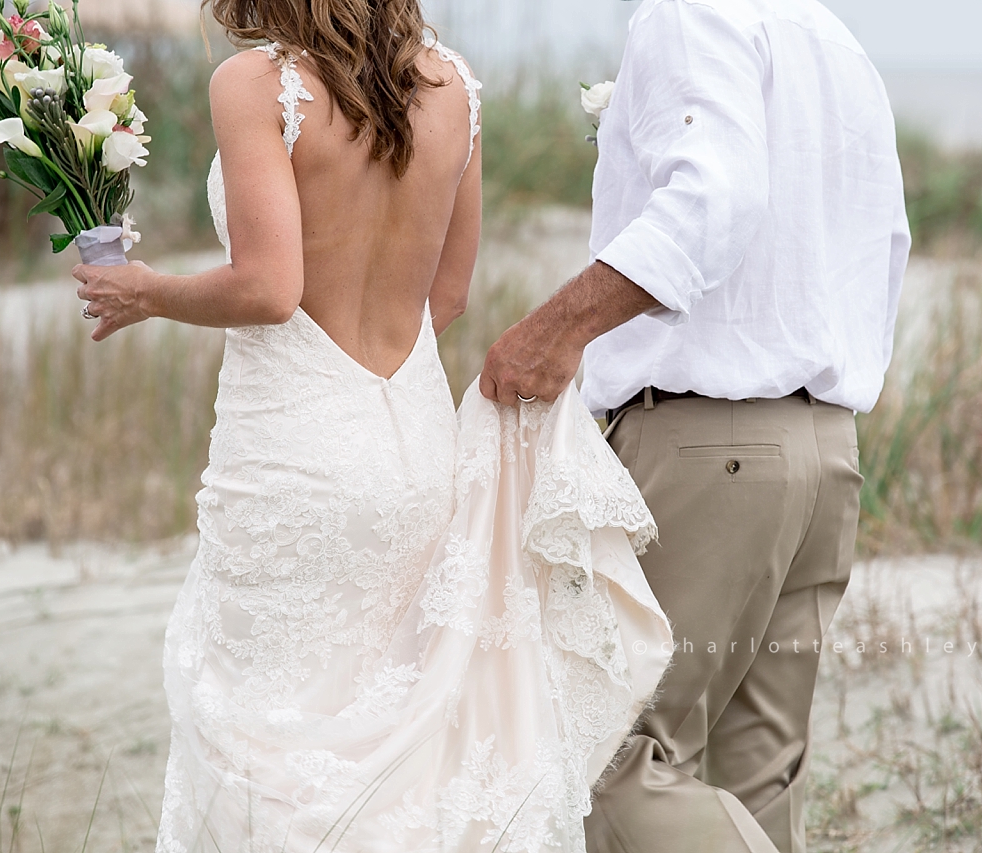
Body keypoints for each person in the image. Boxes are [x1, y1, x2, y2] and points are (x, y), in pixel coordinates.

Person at [70, 1, 672, 850]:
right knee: (398, 740)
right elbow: (449, 297)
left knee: (263, 735)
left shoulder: (255, 83)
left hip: (293, 454)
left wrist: (145, 291)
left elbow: (272, 286)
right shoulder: (455, 86)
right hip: (416, 444)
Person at [480, 0, 910, 851]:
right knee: (756, 775)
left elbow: (716, 193)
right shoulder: (833, 39)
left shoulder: (691, 11)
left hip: (716, 452)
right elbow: (886, 241)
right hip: (825, 451)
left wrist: (558, 327)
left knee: (602, 760)